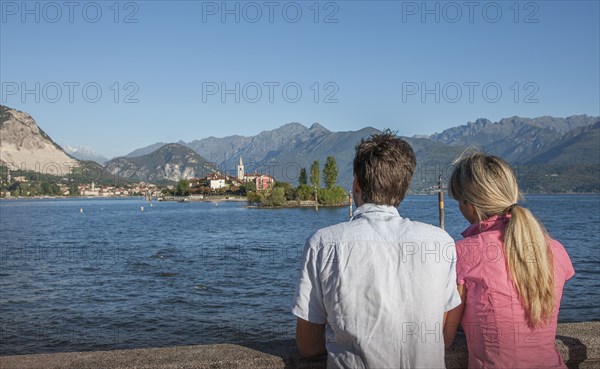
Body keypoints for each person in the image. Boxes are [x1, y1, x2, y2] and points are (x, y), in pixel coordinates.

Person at [291, 130, 462, 368]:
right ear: (404, 187)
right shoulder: (441, 242)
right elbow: (442, 332)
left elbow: (308, 346)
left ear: (356, 184)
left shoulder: (323, 243)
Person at [444, 152, 575, 368]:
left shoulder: (463, 253)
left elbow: (446, 334)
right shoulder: (555, 250)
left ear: (470, 204)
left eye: (459, 200)